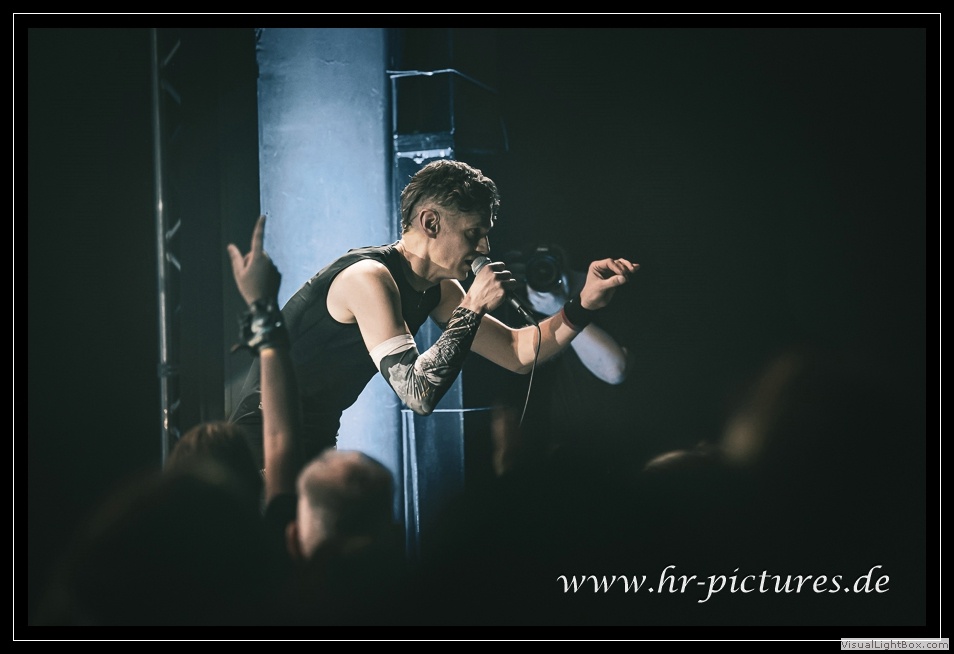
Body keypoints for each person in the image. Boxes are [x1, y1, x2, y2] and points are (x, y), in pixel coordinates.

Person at [230, 158, 638, 468]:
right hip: (260, 445)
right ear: (430, 222)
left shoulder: (439, 288)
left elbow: (517, 352)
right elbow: (417, 393)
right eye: (474, 233)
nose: (484, 248)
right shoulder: (369, 278)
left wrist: (582, 305)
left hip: (314, 443)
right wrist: (473, 305)